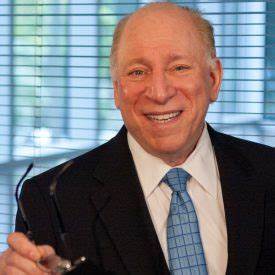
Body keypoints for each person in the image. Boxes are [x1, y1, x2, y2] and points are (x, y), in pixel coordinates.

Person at [0, 2, 274, 274]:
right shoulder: (52, 199)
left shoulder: (269, 173)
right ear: (118, 91)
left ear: (213, 79)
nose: (159, 92)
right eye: (137, 72)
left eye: (179, 67)